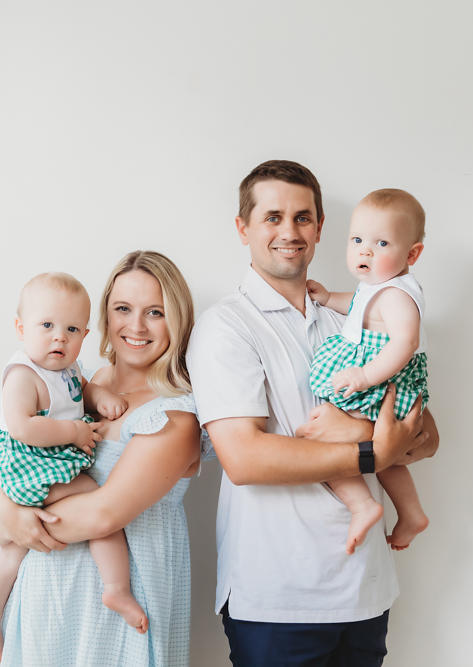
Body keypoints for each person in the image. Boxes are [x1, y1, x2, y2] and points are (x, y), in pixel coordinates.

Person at [187, 160, 440, 666]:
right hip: (277, 596)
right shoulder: (226, 327)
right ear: (244, 228)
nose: (290, 231)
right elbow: (245, 460)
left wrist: (360, 431)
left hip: (363, 591)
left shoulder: (359, 317)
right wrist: (373, 451)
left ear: (321, 227)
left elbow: (426, 435)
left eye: (303, 218)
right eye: (272, 217)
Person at [0, 251, 202, 667]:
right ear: (103, 317)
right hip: (48, 595)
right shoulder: (81, 385)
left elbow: (102, 515)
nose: (135, 326)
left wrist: (14, 523)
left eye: (155, 312)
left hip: (123, 606)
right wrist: (6, 510)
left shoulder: (175, 416)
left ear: (177, 319)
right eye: (122, 309)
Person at [0, 272, 147, 663]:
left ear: (85, 333)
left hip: (45, 463)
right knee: (94, 499)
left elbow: (80, 389)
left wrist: (99, 397)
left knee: (17, 547)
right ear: (21, 328)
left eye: (71, 329)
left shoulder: (66, 370)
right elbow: (21, 426)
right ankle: (116, 586)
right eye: (47, 325)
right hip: (29, 463)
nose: (59, 338)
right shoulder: (22, 375)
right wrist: (72, 431)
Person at [306, 189, 431, 554]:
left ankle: (368, 506)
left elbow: (404, 344)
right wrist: (330, 298)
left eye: (381, 242)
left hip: (384, 377)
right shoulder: (378, 287)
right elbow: (360, 305)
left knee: (332, 441)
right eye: (357, 240)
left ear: (412, 254)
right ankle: (407, 511)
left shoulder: (398, 296)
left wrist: (364, 376)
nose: (365, 250)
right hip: (377, 374)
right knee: (376, 449)